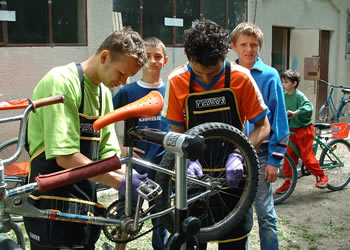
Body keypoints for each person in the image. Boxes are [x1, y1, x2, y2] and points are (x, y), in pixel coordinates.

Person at [23, 28, 149, 250]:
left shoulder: (103, 95)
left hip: (84, 211)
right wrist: (120, 182)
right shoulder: (61, 81)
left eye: (128, 77)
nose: (123, 82)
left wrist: (132, 177)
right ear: (104, 57)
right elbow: (65, 157)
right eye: (121, 73)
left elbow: (108, 156)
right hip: (51, 209)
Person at [161, 19, 270, 249]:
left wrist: (240, 154)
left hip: (234, 181)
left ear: (225, 55)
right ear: (188, 57)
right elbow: (176, 133)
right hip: (192, 181)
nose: (208, 79)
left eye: (214, 72)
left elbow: (263, 126)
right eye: (200, 73)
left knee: (234, 243)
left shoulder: (241, 78)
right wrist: (187, 160)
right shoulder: (177, 81)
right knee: (191, 240)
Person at [230, 22, 289, 250]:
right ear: (233, 46)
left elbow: (279, 119)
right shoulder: (228, 75)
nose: (249, 49)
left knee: (265, 214)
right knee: (237, 215)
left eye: (254, 45)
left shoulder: (270, 75)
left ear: (260, 47)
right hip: (234, 155)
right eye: (243, 44)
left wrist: (275, 159)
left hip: (262, 154)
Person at [112, 36, 170, 250]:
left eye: (158, 57)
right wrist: (121, 146)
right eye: (147, 57)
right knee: (125, 214)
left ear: (164, 60)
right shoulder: (128, 92)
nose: (153, 61)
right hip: (135, 164)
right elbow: (109, 120)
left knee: (161, 217)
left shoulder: (172, 91)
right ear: (140, 60)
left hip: (162, 164)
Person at [277, 69, 328, 192]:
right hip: (292, 130)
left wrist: (296, 112)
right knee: (289, 155)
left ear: (294, 83)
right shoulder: (283, 96)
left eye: (286, 82)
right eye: (282, 82)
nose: (283, 85)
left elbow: (308, 107)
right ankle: (288, 181)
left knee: (306, 157)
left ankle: (322, 176)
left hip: (304, 130)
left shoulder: (299, 96)